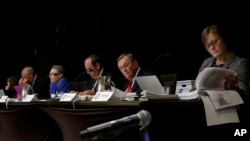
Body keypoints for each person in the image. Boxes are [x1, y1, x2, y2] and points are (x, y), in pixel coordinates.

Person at [199, 24, 250, 100]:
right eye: (208, 45)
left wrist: (234, 87)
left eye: (214, 42)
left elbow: (246, 96)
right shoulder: (206, 63)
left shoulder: (240, 63)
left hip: (230, 109)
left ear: (224, 39)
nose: (212, 47)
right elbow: (197, 87)